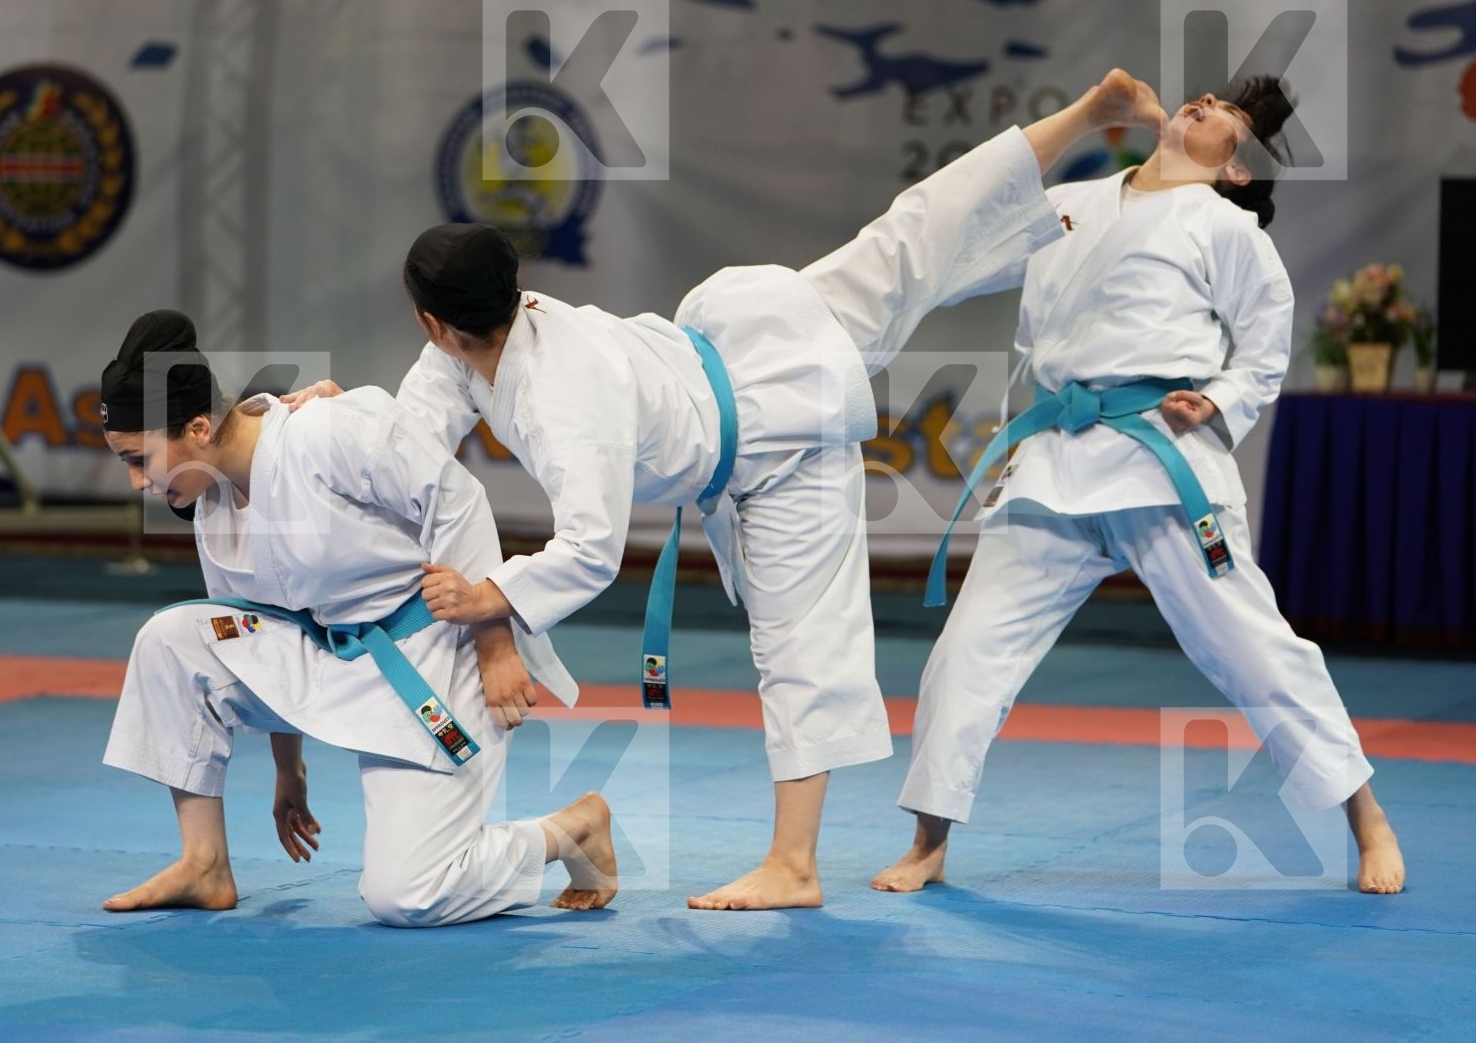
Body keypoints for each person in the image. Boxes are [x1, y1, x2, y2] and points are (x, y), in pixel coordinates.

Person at [282, 71, 1171, 911]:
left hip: (774, 440)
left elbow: (591, 548)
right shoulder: (490, 336)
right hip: (758, 333)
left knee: (799, 642)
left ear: (434, 323)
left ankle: (794, 865)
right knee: (917, 235)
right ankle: (1099, 128)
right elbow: (407, 452)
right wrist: (339, 413)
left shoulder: (559, 404)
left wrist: (493, 600)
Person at [871, 77, 1407, 897]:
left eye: (1227, 114)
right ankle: (929, 840)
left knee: (1255, 653)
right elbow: (977, 285)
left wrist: (1219, 399)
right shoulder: (1069, 202)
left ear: (1237, 170)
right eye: (1206, 96)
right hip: (1053, 458)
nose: (1203, 103)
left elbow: (1264, 350)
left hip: (1162, 458)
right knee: (967, 656)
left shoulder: (1227, 228)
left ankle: (1366, 817)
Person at [97, 310, 618, 927]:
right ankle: (204, 863)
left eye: (138, 459)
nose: (136, 482)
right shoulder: (212, 500)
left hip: (428, 655)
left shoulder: (323, 433)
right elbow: (257, 629)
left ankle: (570, 832)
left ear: (199, 427)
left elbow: (459, 502)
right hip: (330, 657)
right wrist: (288, 769)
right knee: (173, 639)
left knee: (409, 896)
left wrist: (495, 644)